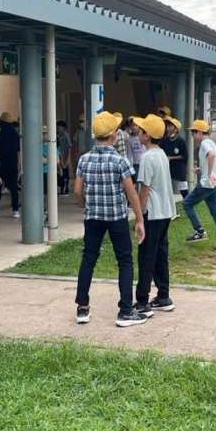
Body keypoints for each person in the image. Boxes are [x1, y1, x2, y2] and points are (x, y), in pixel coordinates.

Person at [74, 111, 148, 328]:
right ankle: (125, 310)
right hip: (116, 218)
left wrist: (86, 203)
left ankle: (82, 307)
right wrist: (140, 220)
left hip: (93, 218)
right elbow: (131, 193)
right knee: (124, 260)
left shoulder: (84, 159)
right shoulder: (120, 161)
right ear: (114, 136)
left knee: (88, 258)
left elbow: (77, 190)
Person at [132, 114, 176, 316]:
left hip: (153, 212)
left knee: (146, 256)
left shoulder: (147, 157)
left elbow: (145, 189)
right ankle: (163, 295)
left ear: (147, 135)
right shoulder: (161, 154)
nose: (137, 133)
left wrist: (139, 215)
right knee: (160, 254)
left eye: (141, 130)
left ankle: (142, 301)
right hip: (165, 211)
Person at [183, 119, 216, 252]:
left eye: (193, 132)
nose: (192, 135)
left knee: (187, 204)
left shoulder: (205, 143)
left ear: (200, 133)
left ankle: (200, 231)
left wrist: (209, 173)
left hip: (207, 184)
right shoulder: (212, 143)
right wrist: (203, 168)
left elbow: (211, 155)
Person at [0, 112, 20, 217]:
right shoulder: (15, 135)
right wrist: (18, 165)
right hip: (13, 164)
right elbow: (18, 152)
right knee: (14, 188)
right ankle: (15, 210)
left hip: (1, 164)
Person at [160, 117, 189, 217]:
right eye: (167, 126)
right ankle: (173, 211)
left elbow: (184, 156)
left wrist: (171, 158)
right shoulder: (165, 140)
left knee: (183, 190)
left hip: (180, 169)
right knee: (168, 190)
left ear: (176, 129)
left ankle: (189, 207)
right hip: (168, 169)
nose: (168, 128)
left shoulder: (181, 141)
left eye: (170, 126)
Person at [57, 120, 72, 195]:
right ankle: (62, 189)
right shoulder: (57, 136)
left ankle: (66, 189)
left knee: (65, 172)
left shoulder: (66, 136)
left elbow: (69, 147)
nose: (58, 129)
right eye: (58, 127)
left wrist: (68, 158)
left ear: (63, 128)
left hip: (65, 157)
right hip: (59, 156)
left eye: (59, 127)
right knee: (61, 173)